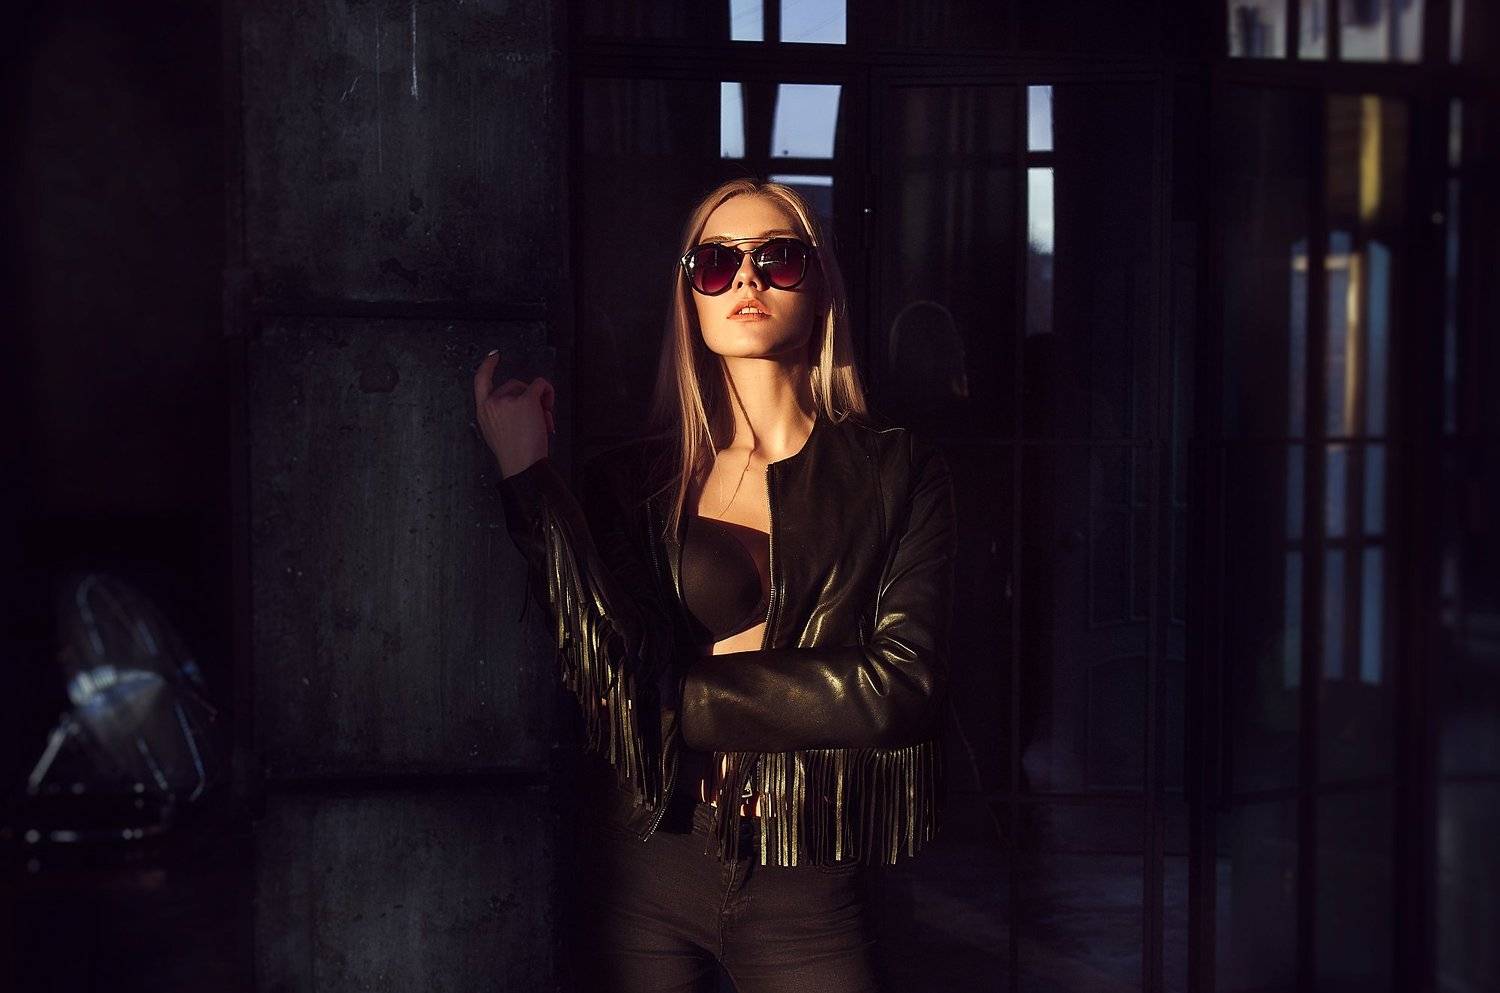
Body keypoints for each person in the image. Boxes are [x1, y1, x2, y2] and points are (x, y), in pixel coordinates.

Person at [472, 178, 957, 993]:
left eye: (778, 258)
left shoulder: (897, 472)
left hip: (809, 874)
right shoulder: (634, 482)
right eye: (716, 263)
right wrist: (530, 480)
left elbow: (901, 684)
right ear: (690, 294)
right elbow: (595, 655)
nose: (747, 279)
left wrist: (670, 698)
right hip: (648, 859)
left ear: (820, 283)